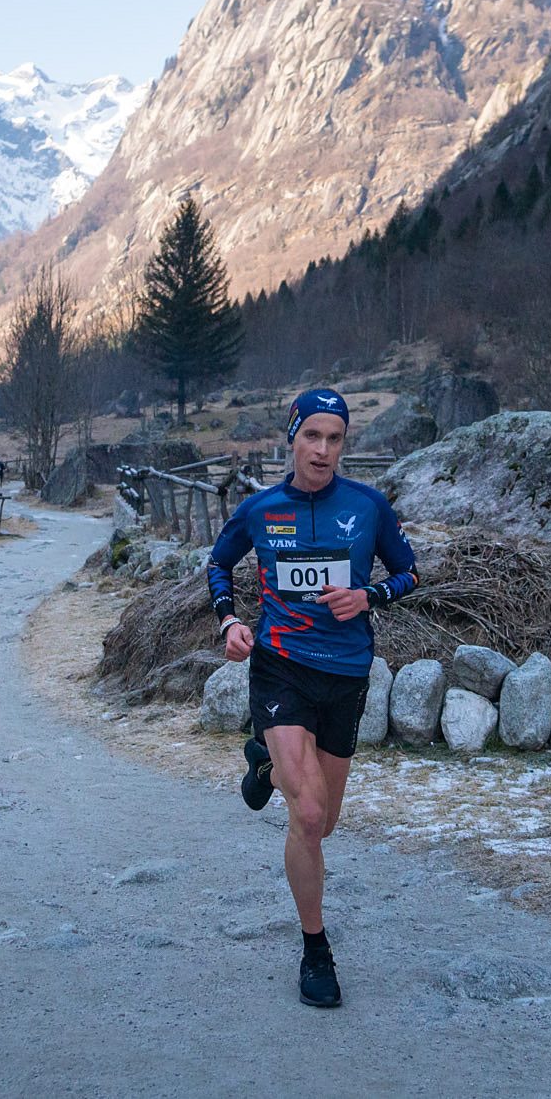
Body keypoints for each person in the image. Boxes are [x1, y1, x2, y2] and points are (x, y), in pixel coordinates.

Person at [206, 388, 418, 1008]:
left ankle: (266, 765)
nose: (323, 450)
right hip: (281, 670)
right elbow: (219, 565)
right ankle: (316, 949)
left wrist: (369, 597)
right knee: (306, 816)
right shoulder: (261, 509)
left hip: (346, 674)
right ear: (291, 437)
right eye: (312, 436)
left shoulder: (368, 506)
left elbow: (409, 572)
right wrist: (229, 622)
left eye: (335, 439)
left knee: (324, 820)